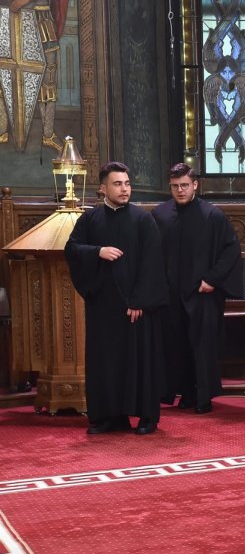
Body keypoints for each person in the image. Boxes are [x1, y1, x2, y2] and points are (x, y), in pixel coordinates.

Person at [65, 162, 168, 435]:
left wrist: (139, 301)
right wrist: (97, 251)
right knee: (106, 362)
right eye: (117, 184)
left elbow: (153, 263)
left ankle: (147, 416)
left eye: (127, 184)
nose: (124, 189)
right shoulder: (90, 220)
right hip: (103, 307)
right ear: (103, 188)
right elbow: (72, 249)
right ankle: (111, 416)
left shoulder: (143, 219)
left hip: (136, 307)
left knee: (139, 361)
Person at [151, 164, 241, 414]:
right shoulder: (160, 215)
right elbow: (153, 254)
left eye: (184, 185)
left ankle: (204, 397)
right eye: (174, 186)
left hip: (203, 292)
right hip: (171, 293)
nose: (179, 191)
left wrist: (212, 279)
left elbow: (230, 250)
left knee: (203, 346)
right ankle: (185, 394)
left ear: (195, 185)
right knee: (175, 344)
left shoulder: (212, 215)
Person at [0, 0, 71, 152]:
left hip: (39, 17)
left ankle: (48, 135)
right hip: (4, 18)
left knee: (47, 76)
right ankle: (1, 130)